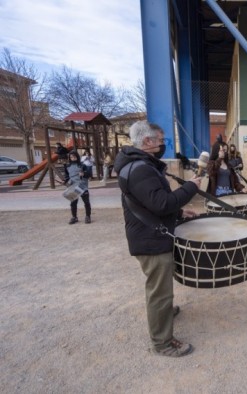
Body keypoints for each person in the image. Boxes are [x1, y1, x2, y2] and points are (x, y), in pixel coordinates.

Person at [113, 120, 201, 358]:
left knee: (161, 287)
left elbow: (149, 202)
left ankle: (164, 312)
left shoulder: (140, 165)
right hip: (150, 240)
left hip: (149, 233)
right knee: (159, 291)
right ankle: (162, 342)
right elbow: (162, 204)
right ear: (148, 141)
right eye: (161, 140)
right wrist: (191, 187)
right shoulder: (140, 169)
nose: (163, 145)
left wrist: (180, 212)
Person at [64, 151, 92, 224]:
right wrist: (65, 182)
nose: (73, 158)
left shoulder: (82, 165)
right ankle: (74, 217)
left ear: (77, 157)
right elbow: (66, 176)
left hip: (82, 185)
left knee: (86, 202)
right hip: (73, 186)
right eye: (71, 157)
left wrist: (84, 173)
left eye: (74, 157)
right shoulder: (67, 166)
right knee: (73, 203)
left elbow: (89, 174)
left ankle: (88, 216)